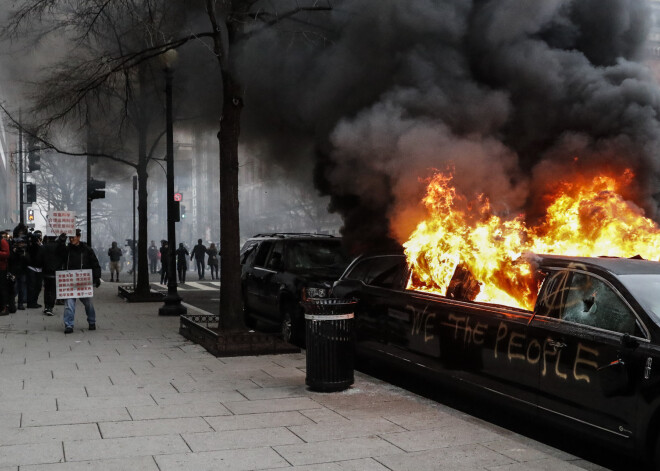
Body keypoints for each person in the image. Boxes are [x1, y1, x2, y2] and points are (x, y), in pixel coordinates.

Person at [62, 229, 101, 334]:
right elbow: (58, 254)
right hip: (69, 280)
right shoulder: (66, 250)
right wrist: (61, 241)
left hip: (83, 281)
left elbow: (95, 263)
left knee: (88, 303)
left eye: (73, 237)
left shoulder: (87, 250)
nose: (71, 239)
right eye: (69, 238)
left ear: (79, 237)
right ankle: (69, 325)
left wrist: (96, 277)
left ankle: (92, 321)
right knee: (69, 304)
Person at [42, 233, 67, 316]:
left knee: (47, 289)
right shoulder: (59, 247)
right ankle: (50, 307)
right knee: (53, 290)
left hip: (46, 271)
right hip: (56, 271)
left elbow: (40, 258)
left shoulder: (44, 246)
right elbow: (64, 257)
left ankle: (46, 306)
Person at [10, 223, 29, 310]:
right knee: (14, 287)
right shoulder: (13, 245)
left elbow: (28, 260)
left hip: (22, 269)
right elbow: (10, 258)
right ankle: (11, 302)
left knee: (21, 287)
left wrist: (24, 254)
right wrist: (14, 251)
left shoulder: (25, 247)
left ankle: (20, 303)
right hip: (14, 269)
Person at [26, 230, 44, 309]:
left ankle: (35, 301)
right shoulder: (30, 246)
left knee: (38, 286)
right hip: (31, 268)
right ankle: (30, 303)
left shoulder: (42, 246)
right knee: (31, 286)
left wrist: (40, 244)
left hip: (39, 269)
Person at [0, 231, 10, 315]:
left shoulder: (2, 241)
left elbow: (6, 254)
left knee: (2, 288)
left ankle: (4, 308)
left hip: (1, 269)